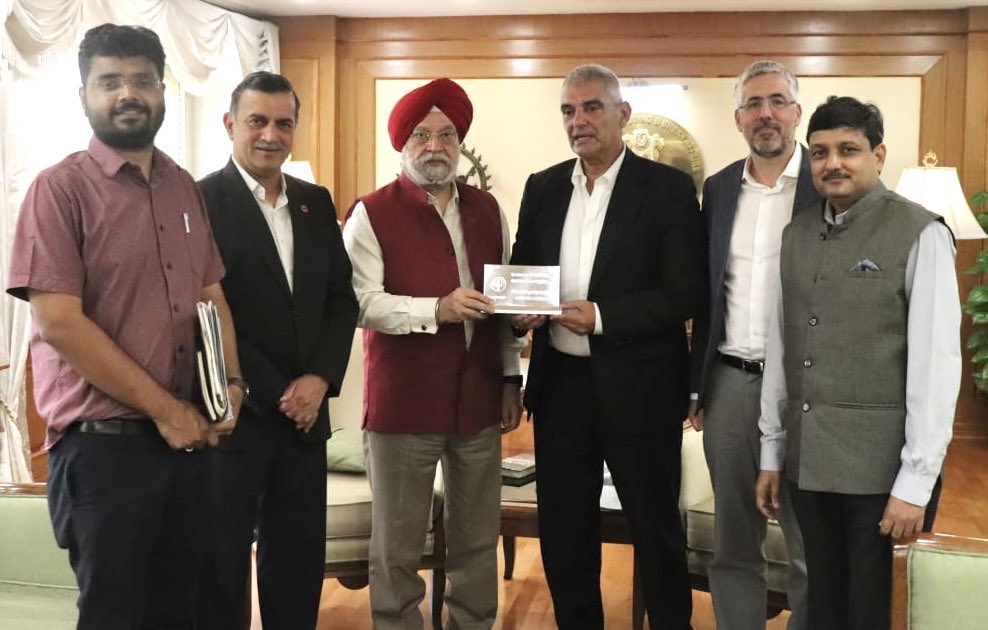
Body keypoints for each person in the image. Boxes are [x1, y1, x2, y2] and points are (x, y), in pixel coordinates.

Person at [5, 23, 243, 629]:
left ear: (162, 91)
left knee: (193, 613)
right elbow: (60, 323)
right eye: (109, 82)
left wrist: (232, 385)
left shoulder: (183, 187)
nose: (127, 93)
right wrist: (166, 410)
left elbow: (210, 296)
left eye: (141, 80)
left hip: (190, 446)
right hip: (103, 453)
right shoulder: (58, 191)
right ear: (83, 95)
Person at [509, 63, 707, 629]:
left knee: (656, 531)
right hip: (560, 391)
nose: (579, 121)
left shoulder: (667, 188)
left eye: (592, 108)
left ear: (622, 114)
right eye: (568, 111)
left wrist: (601, 317)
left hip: (642, 388)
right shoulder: (543, 187)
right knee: (565, 532)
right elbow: (523, 271)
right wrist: (519, 311)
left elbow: (686, 292)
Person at [755, 96, 960, 630]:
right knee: (821, 606)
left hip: (880, 473)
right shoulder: (797, 233)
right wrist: (773, 452)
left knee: (872, 612)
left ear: (878, 155)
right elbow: (781, 347)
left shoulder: (921, 232)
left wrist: (915, 483)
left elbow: (937, 368)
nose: (833, 163)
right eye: (820, 152)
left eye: (848, 150)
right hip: (808, 463)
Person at [341, 78, 523, 629]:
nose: (435, 146)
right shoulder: (370, 213)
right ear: (403, 143)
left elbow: (503, 301)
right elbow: (360, 303)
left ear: (460, 143)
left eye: (447, 135)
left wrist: (510, 379)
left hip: (479, 400)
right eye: (421, 135)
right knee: (397, 545)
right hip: (404, 406)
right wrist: (436, 309)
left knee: (476, 537)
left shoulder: (488, 210)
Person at [196, 71, 358, 630]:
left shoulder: (315, 202)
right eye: (257, 121)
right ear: (230, 124)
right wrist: (280, 391)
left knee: (297, 567)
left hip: (305, 424)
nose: (271, 134)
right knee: (221, 572)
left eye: (283, 123)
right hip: (235, 418)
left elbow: (341, 299)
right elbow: (207, 311)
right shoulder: (200, 201)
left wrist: (318, 380)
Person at [687, 60, 813, 629]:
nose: (766, 114)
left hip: (808, 388)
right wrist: (697, 385)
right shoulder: (717, 190)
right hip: (732, 383)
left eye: (778, 101)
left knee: (808, 541)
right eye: (754, 104)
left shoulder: (826, 182)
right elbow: (707, 295)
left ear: (797, 112)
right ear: (737, 118)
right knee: (734, 539)